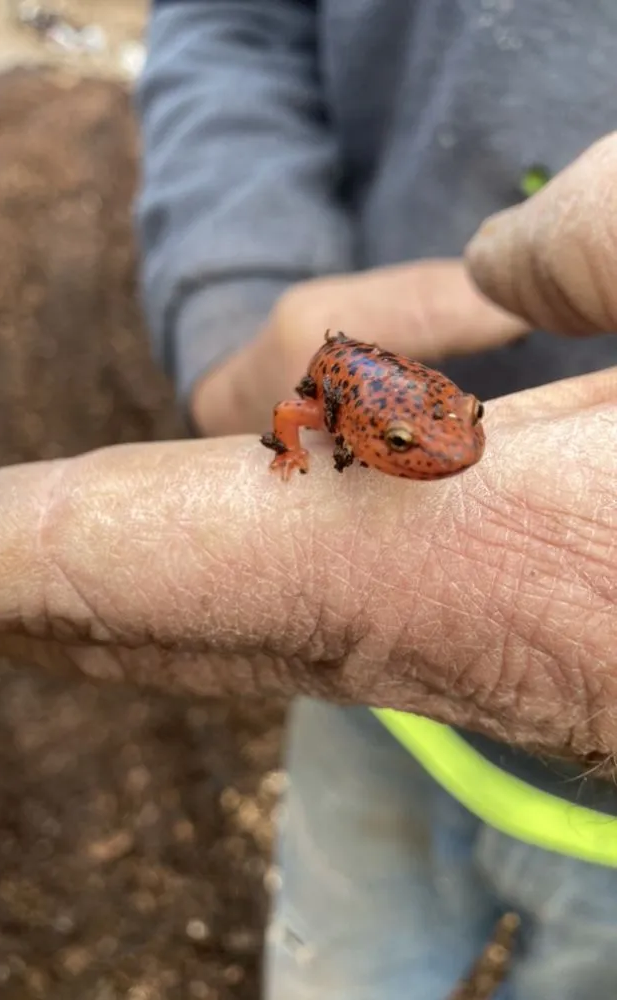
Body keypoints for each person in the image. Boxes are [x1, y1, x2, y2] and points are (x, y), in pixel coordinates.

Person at [132, 2, 617, 996]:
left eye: (462, 422)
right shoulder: (332, 406)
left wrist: (428, 426)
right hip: (379, 707)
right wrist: (241, 308)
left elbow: (436, 423)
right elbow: (227, 26)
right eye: (406, 445)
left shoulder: (433, 420)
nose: (454, 454)